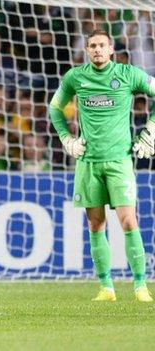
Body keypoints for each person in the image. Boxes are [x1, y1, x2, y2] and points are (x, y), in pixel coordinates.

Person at [49, 29, 155, 303]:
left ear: (111, 50)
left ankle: (140, 286)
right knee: (95, 224)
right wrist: (66, 138)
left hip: (119, 160)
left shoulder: (128, 74)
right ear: (87, 50)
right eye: (92, 45)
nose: (97, 49)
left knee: (128, 221)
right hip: (88, 162)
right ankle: (106, 288)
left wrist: (151, 130)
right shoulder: (75, 77)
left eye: (101, 45)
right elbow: (54, 108)